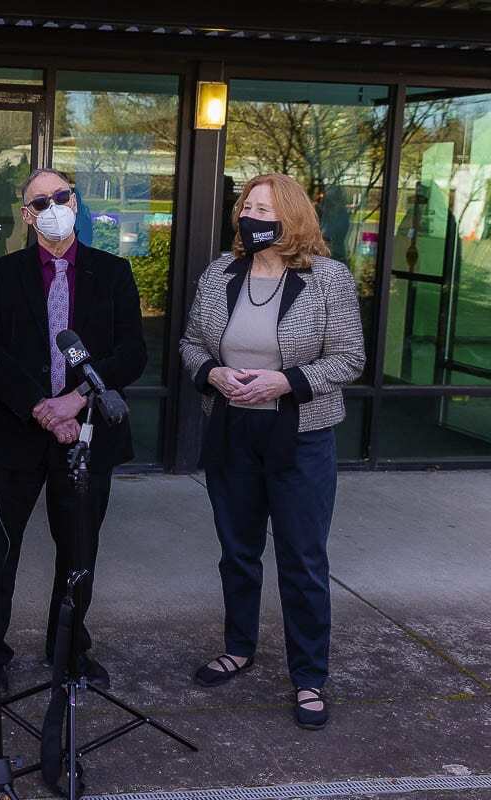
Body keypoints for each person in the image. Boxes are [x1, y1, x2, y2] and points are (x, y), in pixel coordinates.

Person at [180, 173, 365, 730]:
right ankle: (239, 646)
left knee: (302, 559)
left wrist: (287, 383)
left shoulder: (328, 279)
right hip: (232, 431)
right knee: (237, 551)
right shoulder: (220, 272)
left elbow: (349, 358)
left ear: (292, 216)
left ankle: (309, 677)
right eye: (246, 206)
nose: (251, 216)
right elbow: (190, 342)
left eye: (263, 207)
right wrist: (212, 373)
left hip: (300, 436)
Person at [0, 167, 147, 698]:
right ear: (27, 215)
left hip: (89, 435)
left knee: (78, 549)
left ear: (76, 203)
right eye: (40, 200)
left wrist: (75, 401)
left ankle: (67, 648)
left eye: (61, 196)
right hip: (19, 435)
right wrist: (40, 408)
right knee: (0, 551)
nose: (52, 206)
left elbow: (132, 353)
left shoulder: (113, 273)